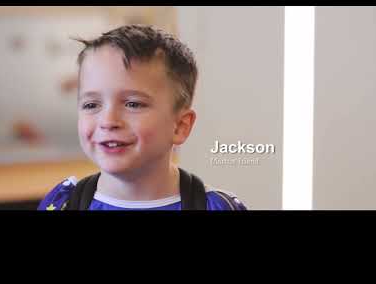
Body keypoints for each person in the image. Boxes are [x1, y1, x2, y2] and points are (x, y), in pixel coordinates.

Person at [38, 24, 246, 210]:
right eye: (91, 105)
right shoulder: (64, 203)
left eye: (133, 104)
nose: (108, 121)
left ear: (180, 126)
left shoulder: (216, 207)